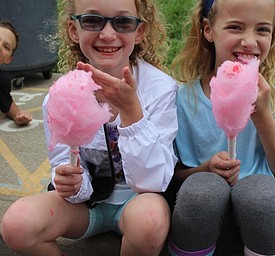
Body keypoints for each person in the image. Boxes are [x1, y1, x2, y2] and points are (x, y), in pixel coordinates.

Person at [1, 0, 178, 255]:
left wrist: (131, 112)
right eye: (93, 21)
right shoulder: (60, 96)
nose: (107, 34)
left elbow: (153, 182)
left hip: (137, 201)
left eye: (123, 22)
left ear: (139, 31)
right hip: (85, 207)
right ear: (74, 30)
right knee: (17, 225)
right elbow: (63, 161)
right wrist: (70, 182)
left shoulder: (160, 89)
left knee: (149, 220)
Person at [167, 0, 275, 255]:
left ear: (274, 33)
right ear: (208, 30)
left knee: (258, 194)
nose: (250, 41)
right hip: (204, 223)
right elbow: (171, 180)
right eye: (235, 27)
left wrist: (262, 115)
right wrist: (206, 169)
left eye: (262, 30)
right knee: (203, 190)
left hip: (268, 219)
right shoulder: (183, 98)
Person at [0, 19, 32, 125]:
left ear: (8, 59)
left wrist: (18, 114)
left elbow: (6, 104)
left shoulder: (2, 81)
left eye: (6, 47)